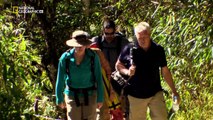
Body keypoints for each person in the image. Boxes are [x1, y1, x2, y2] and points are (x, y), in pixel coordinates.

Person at [115, 22, 181, 120]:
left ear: (150, 35)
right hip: (136, 94)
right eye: (139, 38)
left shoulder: (158, 49)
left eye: (144, 37)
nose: (142, 40)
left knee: (161, 118)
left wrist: (174, 91)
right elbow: (118, 65)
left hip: (155, 92)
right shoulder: (129, 48)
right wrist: (127, 72)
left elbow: (165, 71)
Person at [55, 30, 104, 120]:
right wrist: (59, 97)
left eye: (82, 44)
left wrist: (100, 98)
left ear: (86, 45)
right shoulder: (65, 58)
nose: (79, 47)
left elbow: (98, 78)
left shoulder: (93, 57)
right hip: (72, 95)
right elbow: (60, 79)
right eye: (77, 45)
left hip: (90, 94)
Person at [92, 19, 129, 120]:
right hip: (102, 81)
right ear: (102, 31)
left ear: (115, 30)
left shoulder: (122, 42)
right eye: (106, 33)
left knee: (120, 111)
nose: (109, 36)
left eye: (111, 33)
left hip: (118, 80)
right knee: (103, 111)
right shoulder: (96, 41)